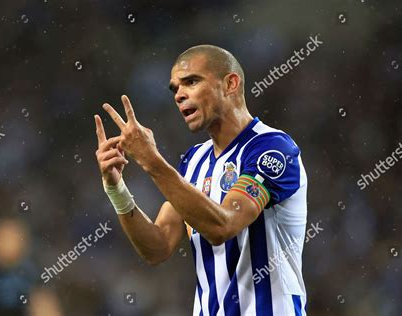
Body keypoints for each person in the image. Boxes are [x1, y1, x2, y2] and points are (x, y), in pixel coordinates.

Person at [94, 44, 308, 315]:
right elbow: (157, 247)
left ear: (230, 83)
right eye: (174, 89)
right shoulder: (193, 160)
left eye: (191, 82)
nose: (179, 95)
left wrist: (150, 160)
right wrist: (116, 189)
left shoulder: (272, 148)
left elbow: (223, 225)